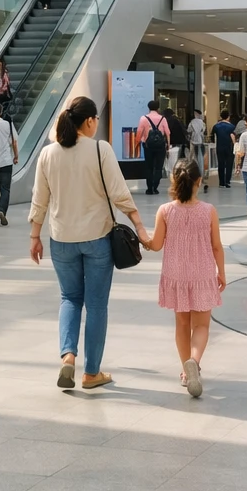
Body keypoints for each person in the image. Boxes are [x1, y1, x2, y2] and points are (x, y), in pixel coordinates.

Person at [28, 96, 148, 390]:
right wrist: (140, 227)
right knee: (96, 305)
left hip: (61, 240)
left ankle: (68, 357)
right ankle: (91, 373)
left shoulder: (48, 154)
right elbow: (120, 193)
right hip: (97, 239)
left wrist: (34, 237)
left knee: (69, 298)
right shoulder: (100, 149)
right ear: (89, 121)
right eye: (96, 119)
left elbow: (40, 199)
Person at [144, 158, 224, 399]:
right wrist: (221, 272)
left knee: (182, 324)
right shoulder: (209, 211)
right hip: (202, 274)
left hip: (176, 274)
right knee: (201, 325)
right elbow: (217, 246)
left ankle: (185, 372)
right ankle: (194, 362)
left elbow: (156, 245)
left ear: (173, 180)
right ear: (199, 181)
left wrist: (142, 237)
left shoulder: (165, 211)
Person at [137, 100, 172, 196]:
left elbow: (139, 133)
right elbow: (168, 133)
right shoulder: (163, 119)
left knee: (149, 167)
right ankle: (155, 188)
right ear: (158, 108)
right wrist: (168, 146)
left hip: (148, 146)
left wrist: (137, 144)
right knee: (158, 167)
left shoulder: (143, 118)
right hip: (160, 146)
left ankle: (149, 189)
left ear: (148, 108)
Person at [211, 111, 236, 190]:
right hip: (229, 148)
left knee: (221, 164)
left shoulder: (216, 126)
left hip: (220, 147)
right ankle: (227, 181)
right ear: (228, 117)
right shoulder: (232, 126)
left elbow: (212, 136)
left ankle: (221, 182)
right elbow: (233, 137)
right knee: (229, 164)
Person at [187, 109, 207, 173]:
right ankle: (201, 170)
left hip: (193, 140)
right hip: (201, 140)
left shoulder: (192, 122)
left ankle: (192, 169)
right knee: (200, 155)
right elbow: (203, 130)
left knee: (192, 155)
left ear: (196, 114)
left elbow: (189, 130)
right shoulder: (202, 123)